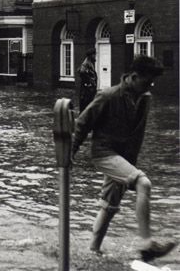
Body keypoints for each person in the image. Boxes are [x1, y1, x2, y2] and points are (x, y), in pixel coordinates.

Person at [71, 55, 176, 261]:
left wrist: (131, 165)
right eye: (147, 82)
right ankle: (147, 244)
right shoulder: (108, 96)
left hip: (124, 158)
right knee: (144, 183)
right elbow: (82, 123)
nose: (150, 87)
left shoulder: (145, 98)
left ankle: (93, 251)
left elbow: (136, 135)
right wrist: (70, 153)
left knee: (109, 206)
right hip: (104, 153)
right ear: (133, 77)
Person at [78, 48, 98, 113]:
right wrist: (90, 81)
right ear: (91, 55)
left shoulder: (90, 63)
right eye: (94, 55)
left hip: (89, 90)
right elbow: (82, 72)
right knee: (86, 106)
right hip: (87, 90)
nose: (95, 56)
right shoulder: (86, 63)